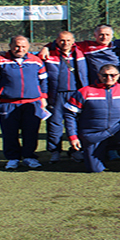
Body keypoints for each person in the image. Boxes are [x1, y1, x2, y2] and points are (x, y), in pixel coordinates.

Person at [64, 64, 120, 173]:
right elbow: (70, 114)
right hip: (93, 133)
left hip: (116, 129)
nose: (109, 78)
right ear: (98, 75)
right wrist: (73, 137)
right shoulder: (84, 91)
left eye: (112, 75)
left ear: (118, 76)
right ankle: (80, 153)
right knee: (95, 169)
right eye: (105, 75)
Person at [0, 35, 49, 170]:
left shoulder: (36, 61)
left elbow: (43, 80)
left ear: (28, 47)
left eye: (23, 46)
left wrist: (43, 98)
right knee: (9, 132)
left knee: (31, 132)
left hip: (32, 103)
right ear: (10, 46)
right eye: (16, 46)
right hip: (7, 103)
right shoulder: (0, 60)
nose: (19, 49)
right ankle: (13, 158)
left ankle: (29, 157)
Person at [43, 31, 88, 163]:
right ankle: (55, 152)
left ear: (73, 41)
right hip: (56, 94)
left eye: (68, 40)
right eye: (62, 40)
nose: (65, 43)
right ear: (56, 41)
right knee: (54, 123)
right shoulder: (48, 54)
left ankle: (76, 150)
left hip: (76, 93)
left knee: (78, 123)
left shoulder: (80, 51)